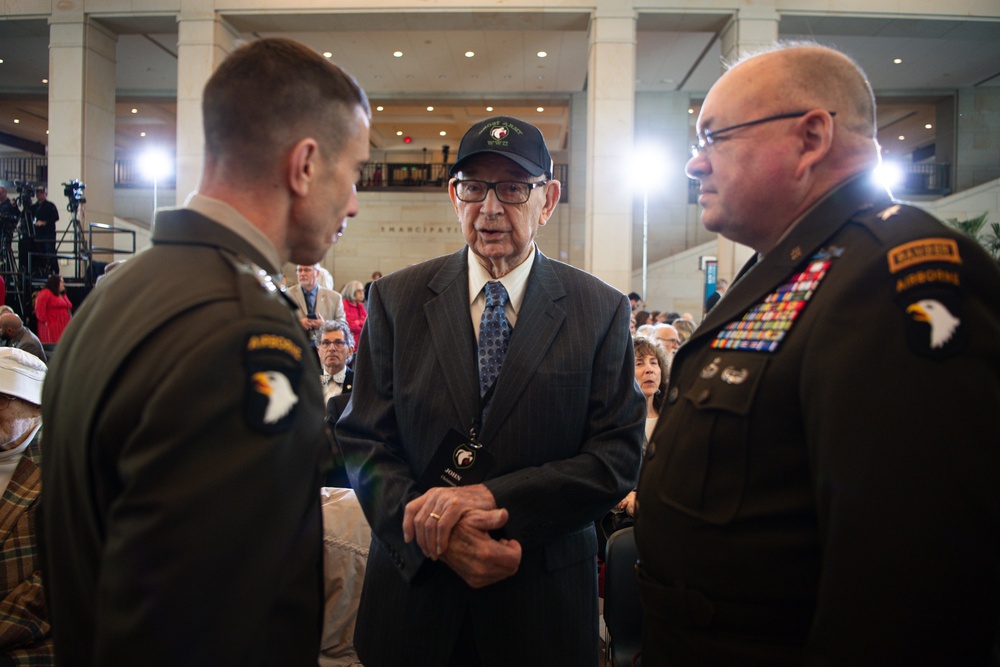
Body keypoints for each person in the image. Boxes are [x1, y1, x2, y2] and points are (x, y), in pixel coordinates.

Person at [635, 43, 1000, 666]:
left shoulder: (890, 275)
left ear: (810, 138)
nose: (695, 165)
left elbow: (907, 589)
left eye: (714, 137)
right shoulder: (786, 269)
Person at [41, 37, 370, 666]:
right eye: (352, 171)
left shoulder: (116, 294)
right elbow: (201, 622)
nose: (353, 202)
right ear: (304, 165)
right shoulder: (245, 334)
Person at [336, 115, 645, 666]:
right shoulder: (396, 301)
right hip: (416, 602)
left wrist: (490, 501)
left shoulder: (599, 310)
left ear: (547, 200)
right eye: (474, 187)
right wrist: (433, 534)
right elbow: (365, 444)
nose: (490, 208)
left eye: (513, 187)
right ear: (454, 196)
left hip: (539, 605)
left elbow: (616, 457)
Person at [0, 348, 53, 664]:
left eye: (1, 400)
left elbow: (56, 580)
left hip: (32, 646)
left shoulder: (64, 462)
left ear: (35, 406)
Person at [288, 263, 346, 336]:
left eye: (306, 270)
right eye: (299, 270)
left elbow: (343, 325)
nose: (302, 274)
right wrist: (297, 324)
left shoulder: (335, 297)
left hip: (325, 344)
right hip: (297, 342)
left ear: (317, 273)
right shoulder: (288, 294)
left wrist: (325, 325)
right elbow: (280, 320)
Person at [317, 320, 354, 405]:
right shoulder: (308, 381)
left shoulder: (358, 383)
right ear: (319, 351)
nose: (331, 348)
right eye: (326, 343)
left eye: (338, 342)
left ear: (350, 350)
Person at [33, 275, 72, 344]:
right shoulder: (46, 293)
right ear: (55, 283)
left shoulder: (62, 294)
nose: (64, 284)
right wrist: (45, 321)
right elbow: (39, 309)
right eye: (62, 282)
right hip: (51, 327)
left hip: (63, 324)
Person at [31, 185, 59, 276]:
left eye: (40, 192)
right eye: (37, 192)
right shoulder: (33, 207)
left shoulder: (50, 206)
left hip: (48, 234)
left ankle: (53, 270)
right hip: (37, 235)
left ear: (45, 194)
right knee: (38, 253)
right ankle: (40, 270)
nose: (38, 194)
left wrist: (44, 222)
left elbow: (55, 217)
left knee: (50, 252)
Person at [340, 279, 367, 346]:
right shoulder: (343, 304)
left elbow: (367, 322)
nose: (362, 293)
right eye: (359, 291)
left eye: (362, 290)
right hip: (348, 343)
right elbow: (350, 326)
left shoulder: (360, 306)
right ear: (351, 291)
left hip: (360, 342)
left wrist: (358, 322)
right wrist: (361, 323)